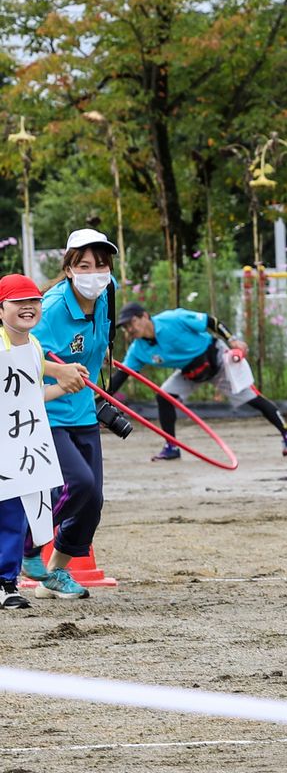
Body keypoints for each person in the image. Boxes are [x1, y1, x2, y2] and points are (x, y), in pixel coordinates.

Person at [25, 228, 123, 600]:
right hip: (48, 410)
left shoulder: (104, 298)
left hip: (84, 412)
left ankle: (55, 574)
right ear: (68, 268)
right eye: (84, 265)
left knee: (92, 500)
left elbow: (95, 350)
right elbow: (23, 354)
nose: (94, 272)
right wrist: (58, 370)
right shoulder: (49, 309)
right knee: (76, 484)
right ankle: (26, 546)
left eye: (101, 265)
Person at [108, 303, 287, 460]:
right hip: (190, 372)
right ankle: (172, 447)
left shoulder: (173, 319)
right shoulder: (138, 350)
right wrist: (101, 397)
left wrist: (232, 340)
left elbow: (211, 321)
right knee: (164, 396)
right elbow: (122, 375)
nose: (129, 329)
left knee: (252, 398)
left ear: (144, 316)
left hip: (215, 359)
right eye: (125, 327)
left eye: (131, 323)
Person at [0, 274, 87, 609]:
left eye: (33, 301)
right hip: (6, 442)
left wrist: (63, 387)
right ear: (1, 309)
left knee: (18, 512)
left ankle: (7, 582)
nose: (28, 307)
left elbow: (33, 396)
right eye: (18, 302)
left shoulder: (34, 347)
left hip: (23, 445)